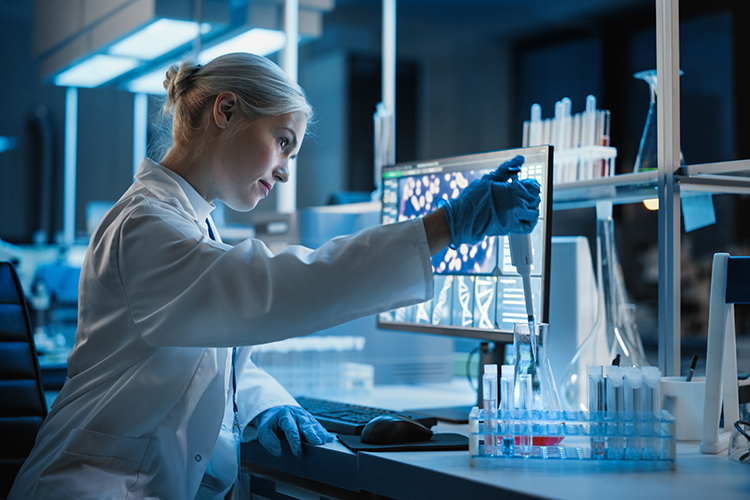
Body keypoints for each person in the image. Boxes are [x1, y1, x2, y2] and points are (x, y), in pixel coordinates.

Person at [8, 52, 540, 500]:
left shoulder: (192, 223)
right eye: (283, 141)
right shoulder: (146, 225)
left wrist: (266, 402)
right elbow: (273, 290)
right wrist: (442, 227)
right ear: (227, 111)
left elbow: (218, 348)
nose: (286, 169)